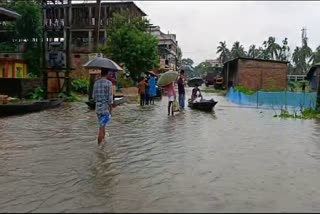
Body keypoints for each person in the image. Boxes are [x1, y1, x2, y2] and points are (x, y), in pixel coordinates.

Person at [92, 68, 113, 146]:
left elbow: (93, 97)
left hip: (98, 108)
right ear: (107, 74)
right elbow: (110, 98)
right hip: (105, 108)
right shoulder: (109, 83)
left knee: (102, 126)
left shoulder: (96, 83)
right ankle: (99, 146)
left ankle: (103, 143)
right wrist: (111, 110)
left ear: (101, 73)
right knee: (101, 128)